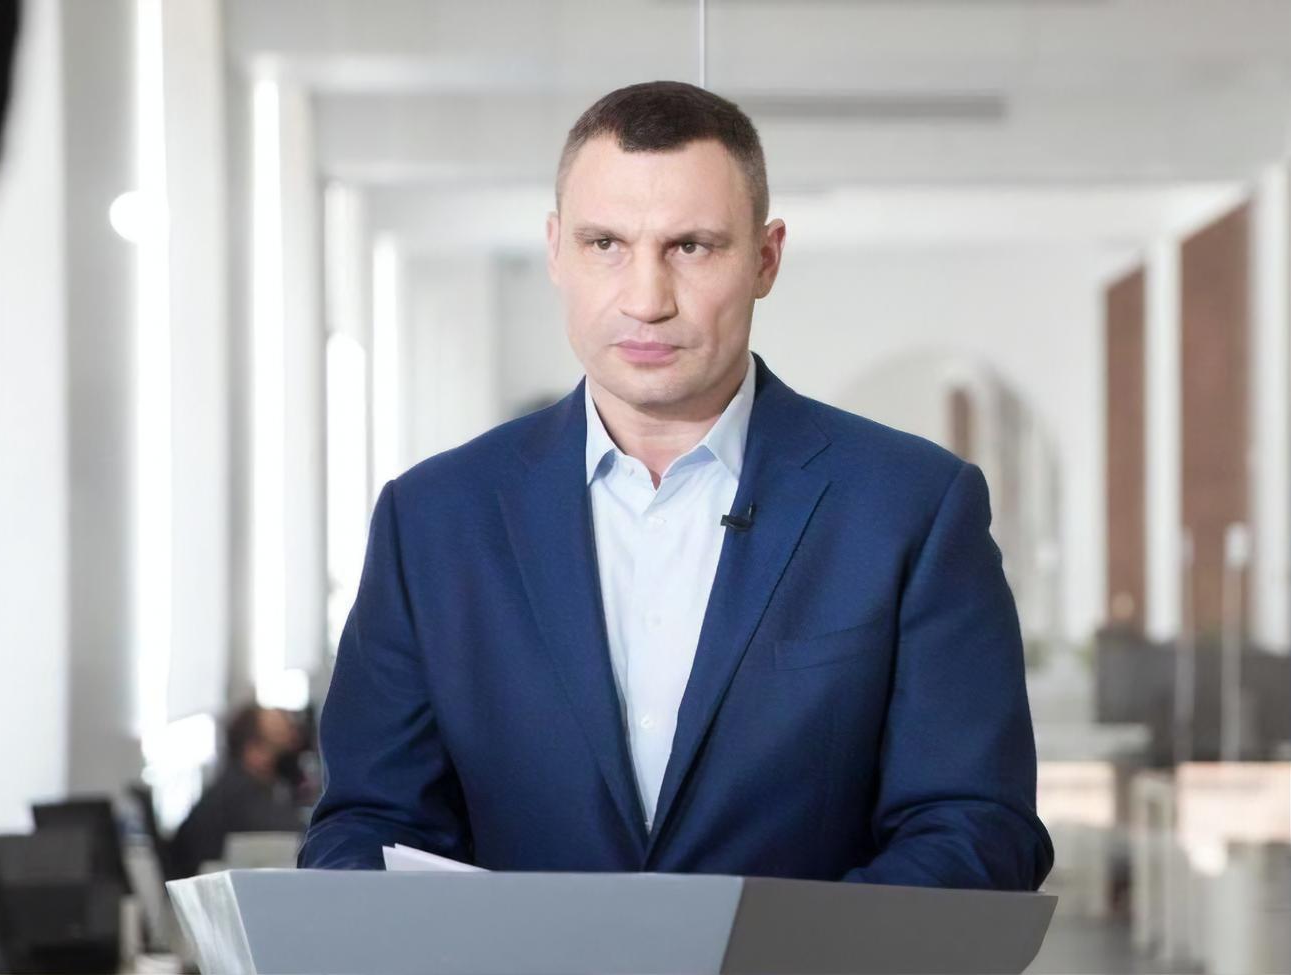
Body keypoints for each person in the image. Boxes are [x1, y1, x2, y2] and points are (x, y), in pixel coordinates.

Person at [298, 80, 1054, 889]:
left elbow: (976, 826)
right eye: (605, 244)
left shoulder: (911, 509)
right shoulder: (431, 521)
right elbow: (368, 824)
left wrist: (780, 948)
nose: (646, 299)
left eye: (691, 247)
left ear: (765, 258)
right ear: (555, 250)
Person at [169, 705, 306, 879]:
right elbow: (295, 839)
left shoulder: (232, 788)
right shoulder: (241, 797)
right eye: (278, 747)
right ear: (254, 750)